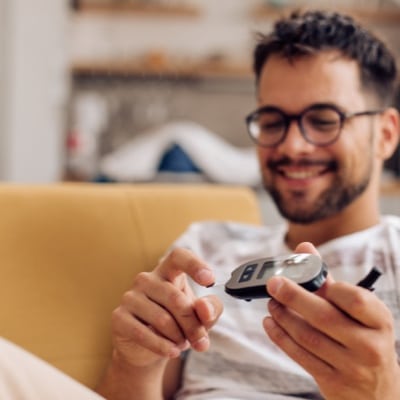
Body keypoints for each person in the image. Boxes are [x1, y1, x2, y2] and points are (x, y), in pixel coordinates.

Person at [1, 8, 399, 400]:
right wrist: (135, 362)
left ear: (385, 134)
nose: (293, 146)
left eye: (324, 120)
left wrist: (381, 392)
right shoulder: (206, 249)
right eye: (274, 121)